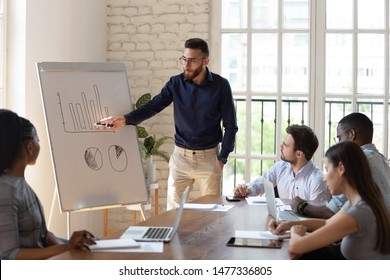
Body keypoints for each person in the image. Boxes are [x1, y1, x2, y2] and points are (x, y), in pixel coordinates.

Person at [99, 38, 238, 210]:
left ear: (205, 61)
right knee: (172, 215)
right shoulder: (176, 83)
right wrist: (126, 119)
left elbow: (231, 125)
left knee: (211, 215)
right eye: (184, 59)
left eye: (193, 61)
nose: (186, 65)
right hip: (180, 158)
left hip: (209, 160)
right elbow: (154, 105)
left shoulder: (221, 86)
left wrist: (223, 157)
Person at [0, 109, 96, 260]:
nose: (39, 144)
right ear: (29, 147)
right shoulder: (6, 191)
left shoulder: (19, 183)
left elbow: (43, 235)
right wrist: (65, 248)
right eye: (38, 140)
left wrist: (69, 248)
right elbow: (9, 255)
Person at [269, 141, 390, 259]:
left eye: (327, 170)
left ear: (341, 168)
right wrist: (287, 224)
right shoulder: (357, 203)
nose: (325, 178)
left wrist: (296, 233)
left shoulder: (359, 212)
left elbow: (296, 247)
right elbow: (327, 223)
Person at [291, 112, 390, 218]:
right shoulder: (382, 160)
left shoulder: (356, 162)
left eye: (339, 138)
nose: (338, 144)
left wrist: (301, 205)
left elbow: (332, 213)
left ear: (352, 134)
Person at [233, 124, 329, 204]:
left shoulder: (317, 180)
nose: (280, 146)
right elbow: (259, 185)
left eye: (285, 145)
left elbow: (317, 217)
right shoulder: (280, 167)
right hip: (282, 222)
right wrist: (245, 189)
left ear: (299, 154)